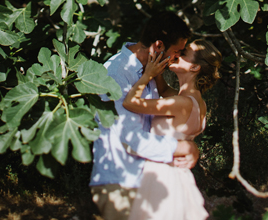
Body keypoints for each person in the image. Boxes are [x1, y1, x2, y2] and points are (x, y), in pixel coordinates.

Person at [90, 12, 200, 220]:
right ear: (158, 45)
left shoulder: (150, 71)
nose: (176, 57)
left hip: (144, 182)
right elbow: (130, 138)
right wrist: (185, 148)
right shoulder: (116, 74)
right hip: (121, 184)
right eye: (176, 51)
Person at [123, 39, 222, 220]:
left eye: (183, 54)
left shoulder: (180, 103)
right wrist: (158, 71)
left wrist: (147, 75)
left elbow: (130, 103)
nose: (176, 54)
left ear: (194, 67)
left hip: (161, 176)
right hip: (179, 177)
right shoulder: (197, 102)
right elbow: (163, 90)